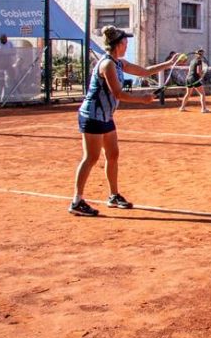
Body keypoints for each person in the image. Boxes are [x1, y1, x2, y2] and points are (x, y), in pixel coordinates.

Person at [69, 26, 180, 217]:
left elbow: (145, 71)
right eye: (125, 42)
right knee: (91, 158)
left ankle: (113, 195)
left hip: (105, 116)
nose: (127, 44)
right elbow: (118, 93)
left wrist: (168, 64)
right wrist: (142, 99)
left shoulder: (119, 63)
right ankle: (76, 201)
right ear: (119, 44)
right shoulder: (107, 65)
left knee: (113, 154)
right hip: (92, 116)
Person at [179, 48, 211, 113]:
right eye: (202, 53)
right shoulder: (199, 61)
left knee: (188, 93)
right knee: (202, 94)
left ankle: (182, 107)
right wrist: (202, 76)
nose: (203, 55)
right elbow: (198, 71)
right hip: (194, 79)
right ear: (201, 54)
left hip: (188, 78)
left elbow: (189, 70)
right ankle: (203, 109)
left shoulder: (192, 61)